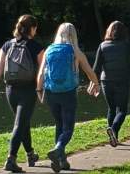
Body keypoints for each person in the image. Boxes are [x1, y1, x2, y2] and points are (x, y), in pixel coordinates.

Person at [0, 15, 45, 173]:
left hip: (10, 90)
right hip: (28, 90)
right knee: (20, 124)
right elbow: (43, 71)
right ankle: (11, 159)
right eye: (35, 28)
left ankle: (30, 154)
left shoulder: (6, 45)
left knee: (22, 122)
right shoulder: (36, 47)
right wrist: (41, 89)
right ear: (32, 28)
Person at [36, 23, 100, 173]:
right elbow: (89, 71)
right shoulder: (75, 51)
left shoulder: (49, 49)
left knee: (59, 124)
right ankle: (58, 150)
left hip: (51, 92)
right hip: (68, 93)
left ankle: (61, 161)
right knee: (68, 128)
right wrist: (95, 83)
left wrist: (39, 91)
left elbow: (40, 74)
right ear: (74, 35)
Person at [91, 21, 130, 147]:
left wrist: (93, 82)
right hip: (121, 80)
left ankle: (114, 137)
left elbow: (96, 67)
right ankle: (113, 130)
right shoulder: (125, 46)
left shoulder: (102, 46)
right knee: (122, 110)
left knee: (111, 108)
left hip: (106, 81)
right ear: (123, 33)